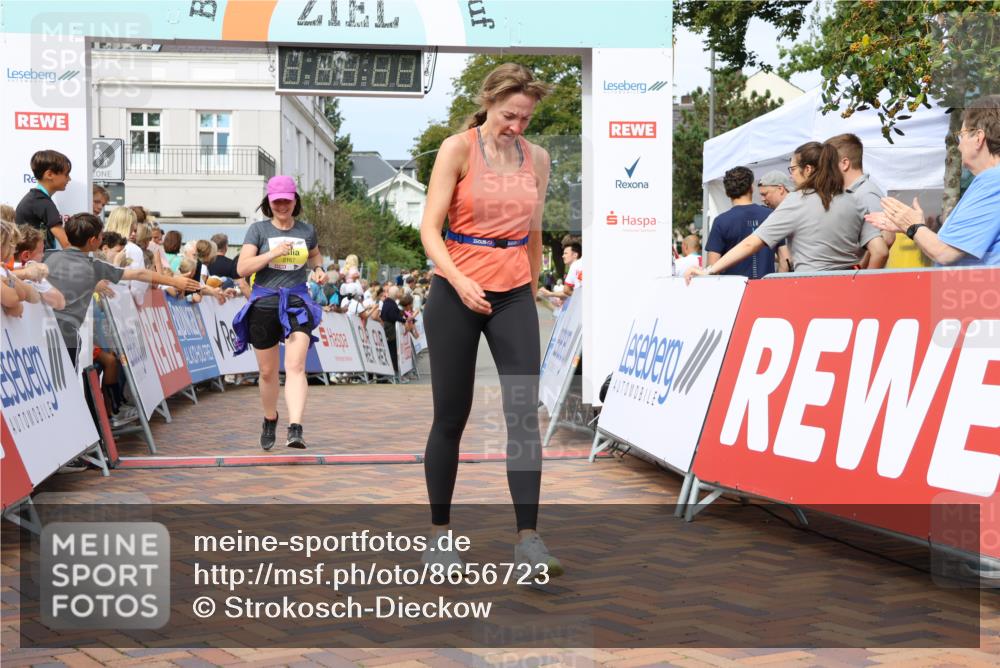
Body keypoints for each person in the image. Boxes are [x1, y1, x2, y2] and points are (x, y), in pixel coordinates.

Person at [419, 62, 562, 577]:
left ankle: (528, 539)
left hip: (514, 293)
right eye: (509, 116)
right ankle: (439, 535)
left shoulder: (538, 159)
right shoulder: (457, 148)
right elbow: (430, 230)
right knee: (451, 416)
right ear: (488, 102)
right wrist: (458, 280)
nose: (517, 126)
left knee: (523, 413)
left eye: (525, 118)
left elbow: (535, 230)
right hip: (456, 289)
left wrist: (532, 286)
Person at [687, 141, 889, 282]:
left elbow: (751, 243)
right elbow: (880, 251)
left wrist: (710, 270)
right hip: (849, 288)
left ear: (807, 169)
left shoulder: (797, 201)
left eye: (792, 169)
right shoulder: (853, 199)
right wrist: (863, 283)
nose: (790, 176)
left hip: (810, 289)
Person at [233, 175, 328, 451]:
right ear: (269, 203)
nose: (282, 206)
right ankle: (270, 418)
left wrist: (319, 270)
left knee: (297, 366)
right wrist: (272, 254)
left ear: (295, 200)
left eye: (287, 200)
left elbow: (314, 255)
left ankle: (295, 427)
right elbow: (242, 269)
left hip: (297, 302)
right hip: (264, 304)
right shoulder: (258, 231)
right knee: (267, 372)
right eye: (277, 202)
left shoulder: (306, 231)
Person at [44, 213, 201, 366]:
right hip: (67, 335)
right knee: (66, 382)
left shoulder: (49, 258)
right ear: (93, 240)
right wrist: (174, 281)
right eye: (100, 236)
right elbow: (139, 273)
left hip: (43, 329)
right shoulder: (94, 267)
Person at [867, 95, 1000, 266]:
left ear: (978, 138)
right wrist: (913, 227)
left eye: (962, 135)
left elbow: (945, 252)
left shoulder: (993, 183)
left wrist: (912, 225)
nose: (959, 145)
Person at [828, 132, 893, 269]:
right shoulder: (856, 193)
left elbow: (886, 239)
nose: (825, 170)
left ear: (844, 164)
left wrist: (864, 278)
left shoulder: (866, 194)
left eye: (828, 164)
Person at [705, 166, 780, 279]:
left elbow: (712, 266)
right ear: (751, 188)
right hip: (766, 290)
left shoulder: (721, 221)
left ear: (726, 192)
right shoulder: (771, 215)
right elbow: (785, 259)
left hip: (734, 292)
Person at [15, 149, 71, 249]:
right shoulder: (42, 202)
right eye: (66, 174)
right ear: (49, 175)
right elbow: (66, 244)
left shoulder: (34, 199)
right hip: (36, 261)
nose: (69, 179)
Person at [12, 225, 66, 310]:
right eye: (41, 252)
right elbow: (59, 303)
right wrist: (40, 280)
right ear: (26, 255)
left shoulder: (6, 271)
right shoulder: (31, 271)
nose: (43, 255)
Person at [756, 171, 795, 271]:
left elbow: (787, 259)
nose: (762, 199)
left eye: (765, 194)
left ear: (780, 189)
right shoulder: (792, 207)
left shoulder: (792, 209)